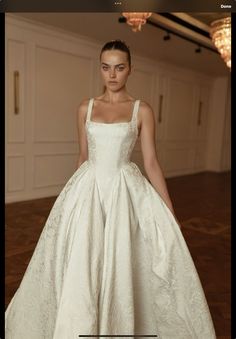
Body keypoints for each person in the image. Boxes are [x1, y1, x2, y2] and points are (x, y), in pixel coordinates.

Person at [5, 39, 216, 338]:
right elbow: (83, 156)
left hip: (124, 192)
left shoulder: (141, 110)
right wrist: (72, 201)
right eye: (106, 68)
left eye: (119, 68)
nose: (112, 75)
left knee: (121, 261)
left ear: (130, 69)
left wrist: (170, 212)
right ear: (100, 69)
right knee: (84, 260)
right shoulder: (85, 108)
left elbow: (152, 162)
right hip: (88, 189)